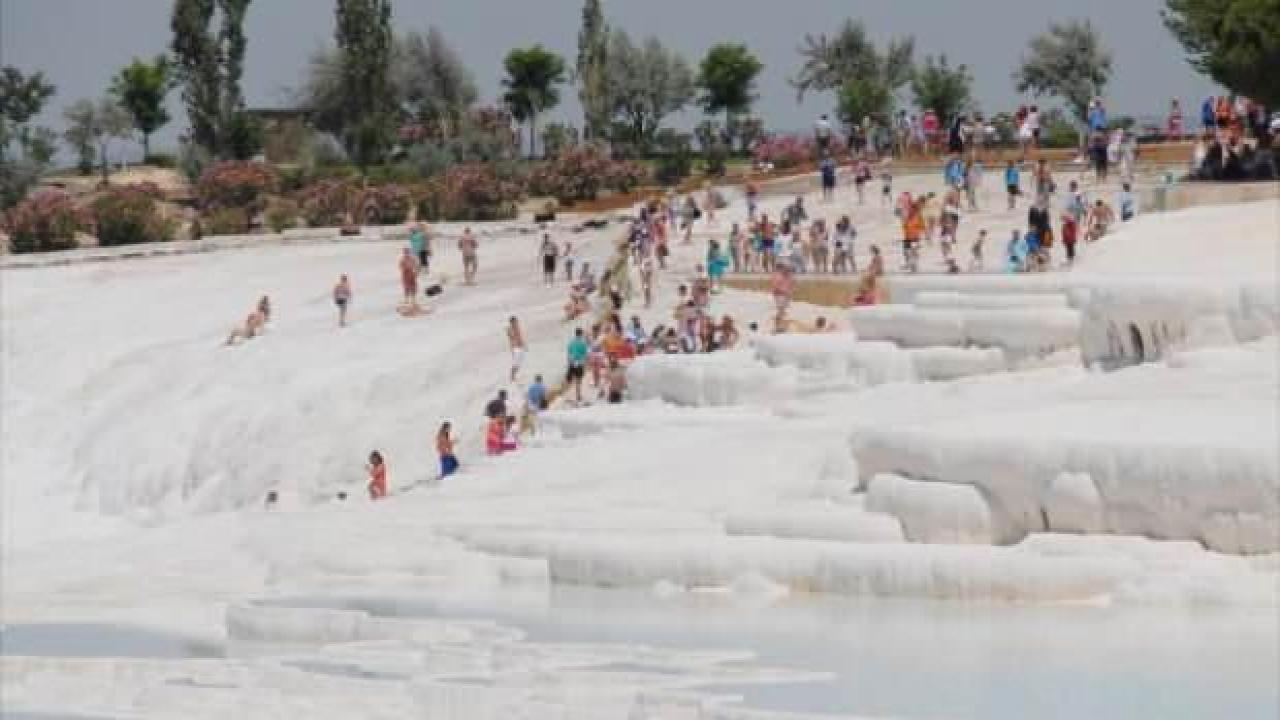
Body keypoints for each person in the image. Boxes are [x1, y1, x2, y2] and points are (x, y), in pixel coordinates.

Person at [566, 328, 590, 405]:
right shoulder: (583, 344)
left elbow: (569, 353)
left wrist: (569, 362)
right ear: (581, 334)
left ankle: (568, 396)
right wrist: (586, 364)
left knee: (570, 380)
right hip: (579, 363)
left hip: (572, 363)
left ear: (575, 333)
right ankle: (578, 395)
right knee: (578, 381)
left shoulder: (571, 342)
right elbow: (585, 355)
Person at [506, 317, 526, 382]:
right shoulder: (509, 329)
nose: (517, 323)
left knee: (519, 363)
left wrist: (523, 345)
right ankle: (512, 376)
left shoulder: (517, 328)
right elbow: (512, 339)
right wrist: (512, 349)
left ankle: (514, 376)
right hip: (515, 348)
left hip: (520, 347)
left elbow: (520, 337)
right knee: (515, 363)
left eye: (516, 321)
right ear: (512, 322)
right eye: (515, 322)